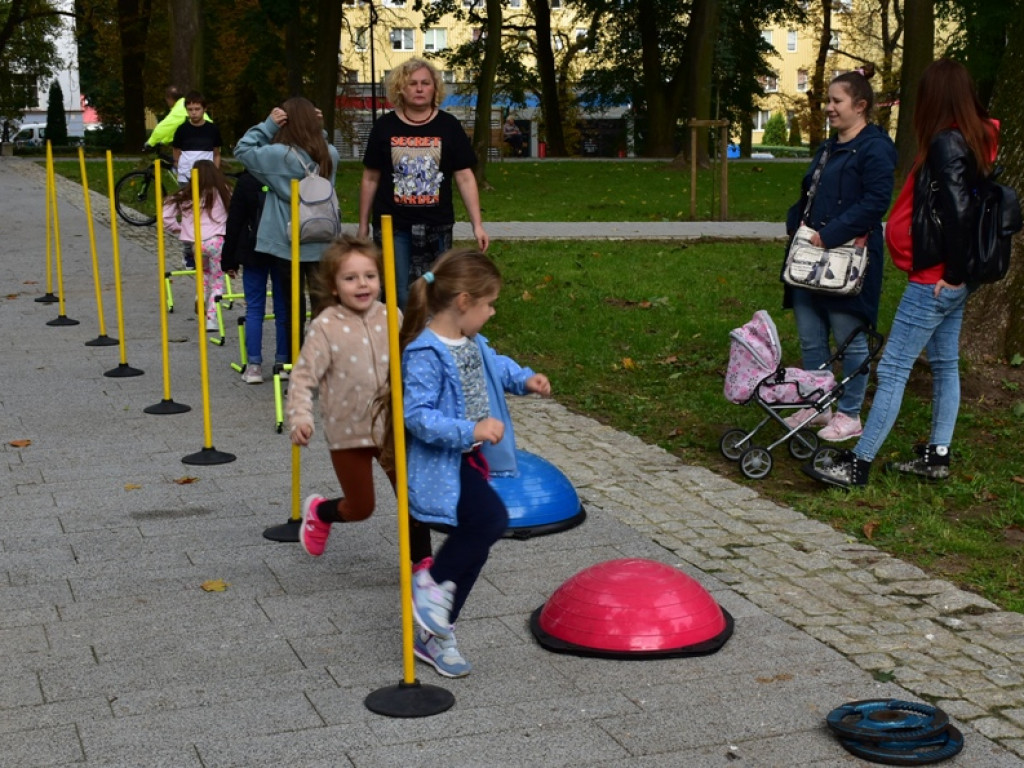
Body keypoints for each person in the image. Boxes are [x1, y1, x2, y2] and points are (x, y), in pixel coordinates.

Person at [804, 58, 998, 489]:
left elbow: (960, 212)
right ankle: (937, 454)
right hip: (950, 279)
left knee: (892, 370)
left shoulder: (948, 142)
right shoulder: (977, 136)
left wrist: (953, 271)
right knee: (946, 363)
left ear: (936, 97)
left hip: (934, 279)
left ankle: (859, 462)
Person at [396, 249, 551, 678]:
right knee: (489, 520)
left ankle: (436, 630)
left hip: (471, 460)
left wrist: (524, 379)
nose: (493, 311)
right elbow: (417, 415)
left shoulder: (470, 341)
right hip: (443, 464)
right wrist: (472, 430)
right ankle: (427, 589)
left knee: (479, 542)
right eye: (488, 304)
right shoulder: (424, 352)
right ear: (463, 301)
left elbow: (495, 365)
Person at [287, 235, 433, 564]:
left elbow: (413, 361)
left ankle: (423, 567)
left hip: (391, 427)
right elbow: (302, 376)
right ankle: (322, 511)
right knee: (361, 508)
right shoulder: (325, 327)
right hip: (347, 433)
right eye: (350, 278)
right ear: (335, 286)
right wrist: (300, 418)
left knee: (413, 498)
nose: (362, 284)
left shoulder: (391, 315)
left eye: (370, 276)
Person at [783, 64, 897, 442]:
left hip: (849, 259)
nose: (828, 108)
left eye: (837, 101)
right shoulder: (829, 146)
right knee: (811, 334)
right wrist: (796, 225)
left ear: (860, 105)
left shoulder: (876, 147)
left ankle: (849, 414)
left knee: (849, 337)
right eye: (827, 101)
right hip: (810, 258)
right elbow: (810, 194)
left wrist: (828, 235)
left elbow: (876, 201)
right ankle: (818, 404)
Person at [357, 58, 489, 310]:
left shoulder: (449, 126)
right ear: (400, 89)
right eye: (412, 83)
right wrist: (363, 225)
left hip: (436, 225)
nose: (419, 89)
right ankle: (403, 345)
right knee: (400, 294)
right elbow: (370, 177)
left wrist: (477, 225)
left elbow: (464, 176)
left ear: (434, 88)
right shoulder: (384, 127)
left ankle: (431, 343)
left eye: (425, 83)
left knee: (436, 291)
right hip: (393, 225)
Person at [234, 98, 341, 360]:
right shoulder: (330, 155)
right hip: (322, 240)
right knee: (323, 306)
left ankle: (295, 363)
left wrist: (268, 125)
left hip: (287, 242)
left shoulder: (277, 157)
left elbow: (243, 149)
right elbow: (319, 145)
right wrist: (320, 129)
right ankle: (323, 361)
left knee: (291, 309)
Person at [221, 170, 288, 384]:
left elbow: (235, 220)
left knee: (254, 308)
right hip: (283, 248)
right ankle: (283, 362)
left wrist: (229, 259)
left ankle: (254, 366)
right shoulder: (286, 174)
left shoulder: (247, 179)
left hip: (253, 248)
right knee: (283, 308)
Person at [162, 159, 232, 331]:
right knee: (217, 280)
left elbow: (165, 217)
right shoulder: (224, 191)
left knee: (203, 275)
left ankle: (199, 296)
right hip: (217, 241)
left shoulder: (186, 194)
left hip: (196, 243)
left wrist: (181, 229)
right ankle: (211, 319)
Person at [172, 91, 222, 186]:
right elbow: (176, 150)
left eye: (197, 109)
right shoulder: (181, 129)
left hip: (207, 176)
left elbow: (216, 154)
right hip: (185, 177)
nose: (194, 113)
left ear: (204, 109)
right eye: (190, 109)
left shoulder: (213, 129)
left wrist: (215, 172)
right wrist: (179, 166)